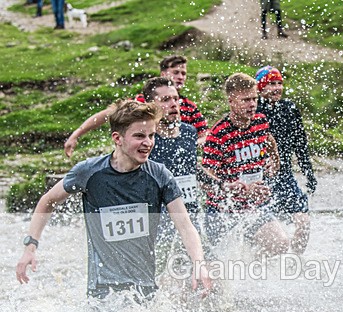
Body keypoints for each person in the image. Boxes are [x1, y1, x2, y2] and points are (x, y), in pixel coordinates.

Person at [15, 100, 211, 299]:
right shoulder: (89, 172)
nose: (148, 143)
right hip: (104, 290)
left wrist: (198, 263)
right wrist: (30, 246)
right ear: (118, 138)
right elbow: (48, 201)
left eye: (151, 135)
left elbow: (185, 226)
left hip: (145, 286)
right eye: (139, 136)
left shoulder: (159, 175)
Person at [201, 73, 286, 256]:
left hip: (253, 208)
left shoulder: (260, 121)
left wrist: (274, 159)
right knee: (230, 268)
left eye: (254, 99)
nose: (252, 104)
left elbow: (269, 139)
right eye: (245, 100)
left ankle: (257, 278)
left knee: (279, 245)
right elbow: (206, 180)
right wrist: (239, 189)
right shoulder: (218, 135)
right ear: (231, 101)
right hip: (223, 212)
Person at [64, 55, 208, 157]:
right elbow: (108, 114)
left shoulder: (189, 106)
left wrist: (185, 145)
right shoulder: (142, 102)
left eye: (183, 73)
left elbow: (205, 135)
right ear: (163, 74)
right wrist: (77, 134)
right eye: (176, 72)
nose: (181, 77)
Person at [255, 66, 315, 254]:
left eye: (279, 83)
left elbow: (301, 144)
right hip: (260, 180)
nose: (277, 88)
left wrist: (308, 173)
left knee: (303, 223)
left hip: (285, 177)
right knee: (269, 234)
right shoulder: (253, 110)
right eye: (271, 84)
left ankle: (296, 263)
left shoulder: (289, 109)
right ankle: (261, 266)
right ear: (260, 88)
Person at [140, 77, 203, 242]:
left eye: (176, 98)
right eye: (165, 100)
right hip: (159, 224)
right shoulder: (144, 142)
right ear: (151, 106)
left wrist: (223, 185)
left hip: (191, 217)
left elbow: (192, 168)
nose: (174, 104)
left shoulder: (189, 132)